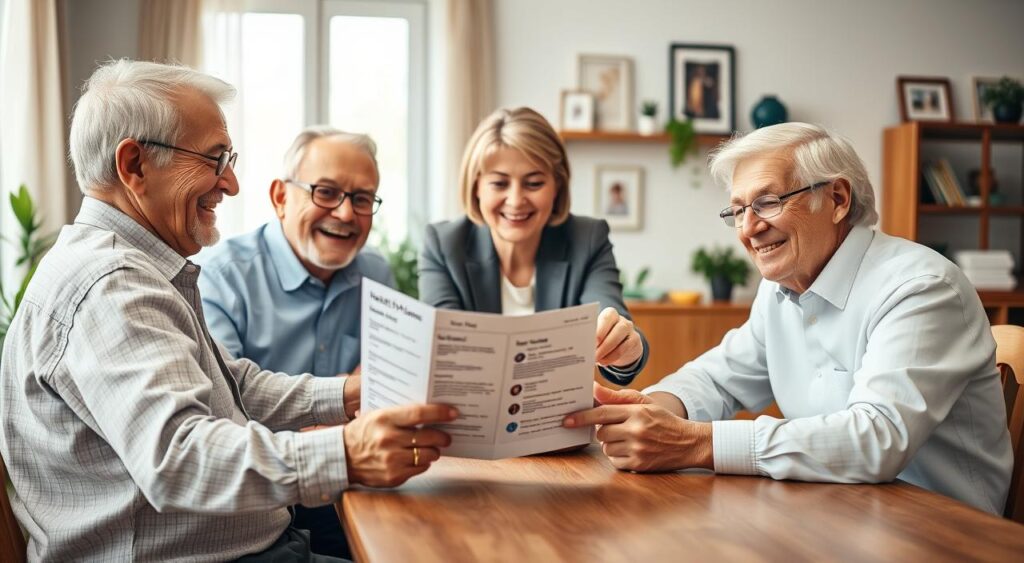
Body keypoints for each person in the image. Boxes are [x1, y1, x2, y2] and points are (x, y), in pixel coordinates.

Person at [0, 59, 455, 562]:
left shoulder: (134, 268)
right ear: (134, 166)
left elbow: (231, 386)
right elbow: (178, 459)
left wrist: (348, 393)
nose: (231, 183)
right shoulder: (111, 286)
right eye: (215, 159)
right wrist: (348, 453)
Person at [564, 122, 1013, 515]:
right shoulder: (781, 290)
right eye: (738, 210)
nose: (748, 228)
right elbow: (718, 379)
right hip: (834, 514)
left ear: (837, 198)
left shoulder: (921, 287)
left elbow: (877, 439)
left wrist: (696, 442)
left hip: (941, 533)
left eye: (768, 202)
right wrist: (650, 412)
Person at [195, 126, 392, 556]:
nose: (345, 213)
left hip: (354, 487)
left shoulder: (377, 275)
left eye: (362, 199)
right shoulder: (222, 276)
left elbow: (388, 387)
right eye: (326, 192)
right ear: (281, 197)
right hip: (262, 503)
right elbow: (227, 416)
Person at [419, 107, 648, 385]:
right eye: (499, 183)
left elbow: (612, 318)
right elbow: (446, 352)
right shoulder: (443, 245)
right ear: (477, 186)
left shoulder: (587, 239)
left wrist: (624, 347)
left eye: (534, 183)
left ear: (557, 186)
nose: (515, 200)